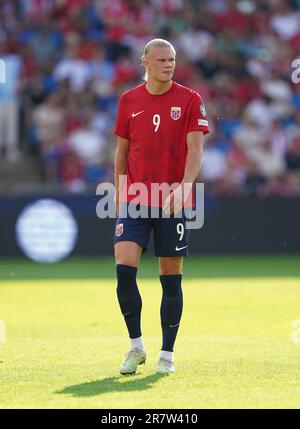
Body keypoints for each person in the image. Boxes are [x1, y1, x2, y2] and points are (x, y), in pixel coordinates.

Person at [113, 38, 209, 375]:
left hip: (172, 200)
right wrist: (120, 191)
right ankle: (136, 346)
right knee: (124, 271)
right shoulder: (128, 100)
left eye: (172, 60)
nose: (169, 65)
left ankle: (167, 354)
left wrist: (185, 188)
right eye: (162, 59)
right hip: (135, 200)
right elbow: (122, 152)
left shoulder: (189, 100)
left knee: (171, 279)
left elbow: (196, 150)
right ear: (146, 62)